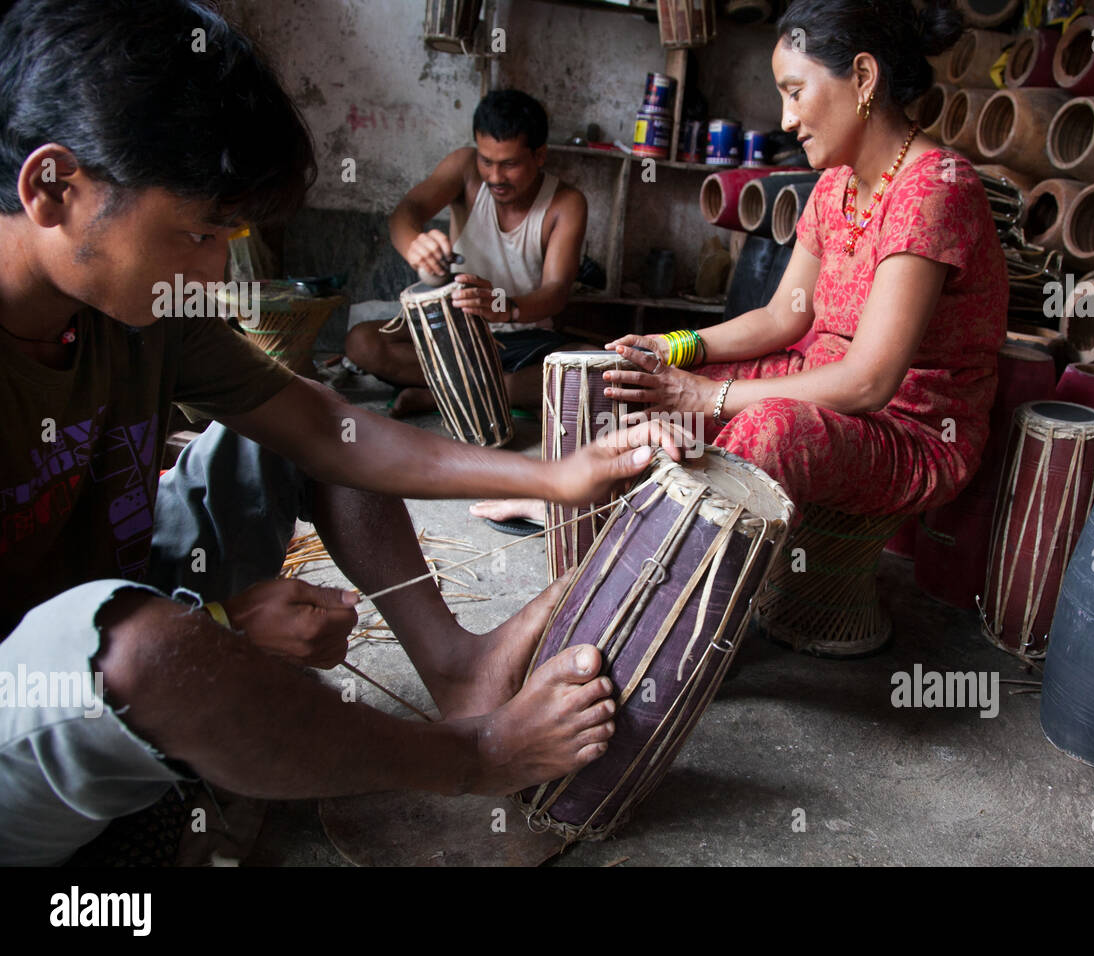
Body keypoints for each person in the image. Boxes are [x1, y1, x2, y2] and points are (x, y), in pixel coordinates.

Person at [0, 0, 683, 865]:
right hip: (31, 688)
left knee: (304, 423)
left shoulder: (143, 310)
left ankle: (458, 670)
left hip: (120, 580)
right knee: (146, 656)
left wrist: (554, 476)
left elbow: (324, 426)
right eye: (198, 233)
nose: (213, 270)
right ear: (53, 188)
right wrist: (216, 625)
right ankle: (474, 755)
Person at [604, 0, 1007, 531]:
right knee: (642, 389)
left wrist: (712, 395)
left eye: (795, 92)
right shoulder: (834, 184)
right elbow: (780, 319)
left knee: (770, 427)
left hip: (909, 427)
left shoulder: (934, 189)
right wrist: (675, 347)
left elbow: (868, 382)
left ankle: (655, 578)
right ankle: (584, 521)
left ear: (863, 77)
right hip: (814, 383)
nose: (786, 119)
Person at [345, 89, 587, 418]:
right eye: (487, 161)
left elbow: (555, 291)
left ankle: (441, 394)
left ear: (540, 155)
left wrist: (507, 309)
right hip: (458, 331)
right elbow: (407, 210)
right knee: (362, 342)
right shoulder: (464, 168)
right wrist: (414, 243)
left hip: (525, 338)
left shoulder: (566, 202)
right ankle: (499, 389)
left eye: (510, 164)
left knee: (589, 366)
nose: (495, 177)